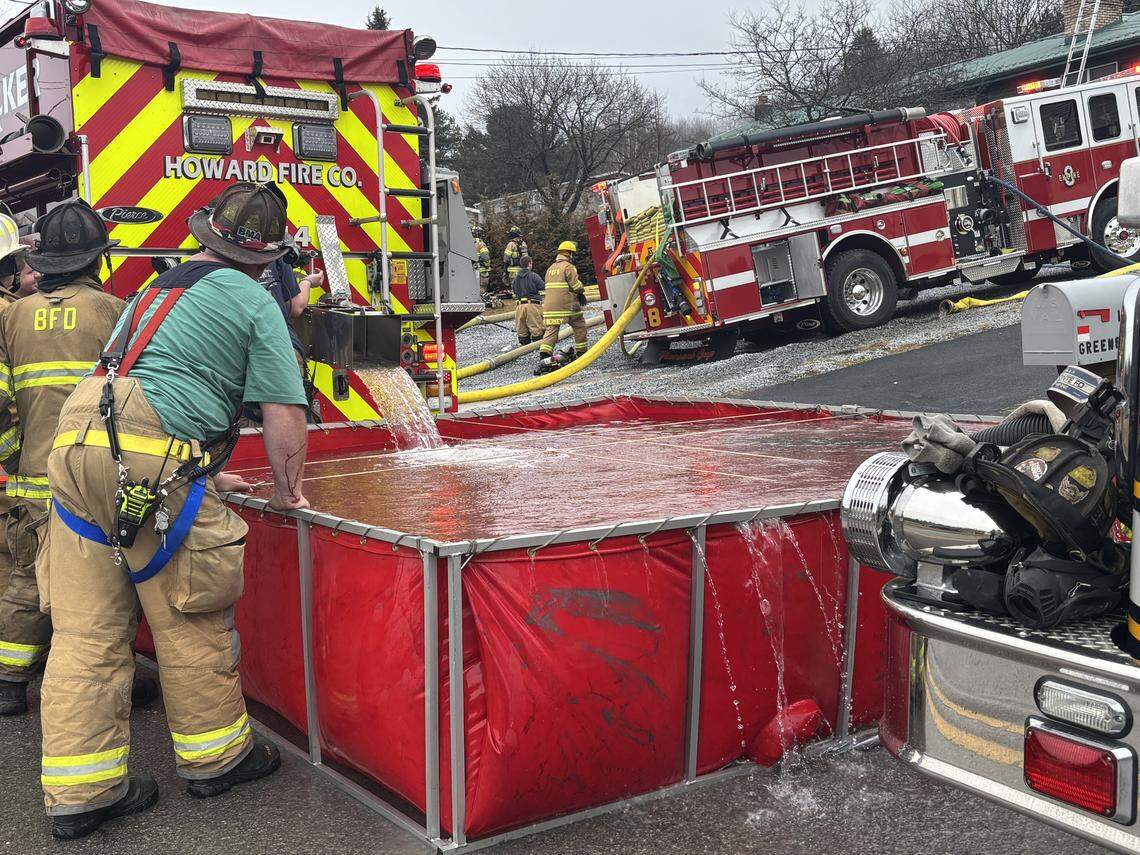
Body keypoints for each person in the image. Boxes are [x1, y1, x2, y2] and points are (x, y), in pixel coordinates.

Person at [38, 183, 310, 840]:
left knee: (85, 631)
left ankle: (80, 793)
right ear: (267, 258)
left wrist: (199, 468)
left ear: (207, 235)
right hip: (147, 455)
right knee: (188, 612)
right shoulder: (256, 300)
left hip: (76, 443)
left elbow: (146, 378)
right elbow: (284, 411)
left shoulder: (153, 291)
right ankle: (219, 759)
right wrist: (287, 492)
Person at [0, 202, 162, 719]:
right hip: (96, 472)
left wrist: (15, 457)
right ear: (97, 259)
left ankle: (8, 680)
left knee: (28, 576)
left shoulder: (12, 315)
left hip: (33, 473)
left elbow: (1, 401)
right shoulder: (117, 312)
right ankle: (115, 676)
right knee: (106, 579)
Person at [538, 240, 588, 364]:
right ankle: (582, 353)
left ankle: (544, 355)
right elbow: (575, 285)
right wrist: (581, 291)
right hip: (567, 305)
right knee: (579, 325)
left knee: (551, 329)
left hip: (549, 307)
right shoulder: (568, 267)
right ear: (570, 254)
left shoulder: (550, 269)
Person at [511, 256, 546, 346]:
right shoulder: (533, 276)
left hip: (519, 307)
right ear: (529, 263)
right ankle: (537, 350)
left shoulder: (515, 279)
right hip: (533, 306)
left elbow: (514, 290)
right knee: (537, 331)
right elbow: (543, 286)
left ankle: (524, 349)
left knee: (522, 333)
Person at [473, 228, 491, 293]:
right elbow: (486, 258)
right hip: (481, 271)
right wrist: (487, 266)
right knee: (482, 289)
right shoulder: (481, 244)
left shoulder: (468, 243)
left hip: (471, 271)